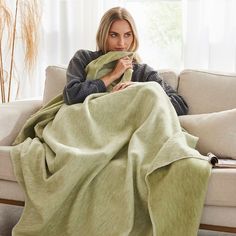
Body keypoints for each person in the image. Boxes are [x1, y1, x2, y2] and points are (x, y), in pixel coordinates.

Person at [63, 6, 188, 116]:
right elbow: (71, 95)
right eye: (114, 35)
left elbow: (180, 106)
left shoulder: (142, 72)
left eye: (127, 35)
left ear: (134, 37)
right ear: (103, 35)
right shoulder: (83, 58)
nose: (121, 43)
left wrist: (138, 90)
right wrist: (111, 76)